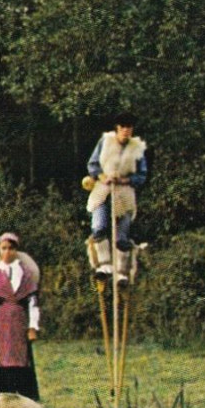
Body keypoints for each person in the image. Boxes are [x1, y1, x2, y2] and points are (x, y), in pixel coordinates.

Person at [86, 116, 148, 286]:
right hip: (104, 189)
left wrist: (125, 180)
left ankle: (122, 273)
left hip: (124, 192)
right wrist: (102, 176)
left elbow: (142, 176)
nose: (126, 131)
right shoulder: (105, 141)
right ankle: (104, 265)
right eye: (123, 127)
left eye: (130, 127)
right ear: (118, 128)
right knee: (98, 226)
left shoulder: (137, 148)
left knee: (121, 235)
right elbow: (92, 164)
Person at [0, 232, 41, 399]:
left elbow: (33, 304)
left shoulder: (26, 275)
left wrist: (32, 327)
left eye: (11, 248)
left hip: (19, 326)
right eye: (4, 248)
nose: (7, 252)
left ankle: (24, 399)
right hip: (0, 327)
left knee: (22, 361)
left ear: (16, 250)